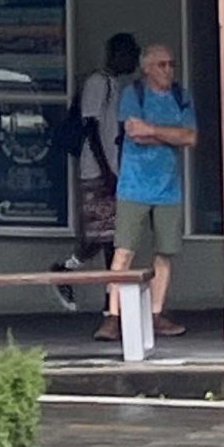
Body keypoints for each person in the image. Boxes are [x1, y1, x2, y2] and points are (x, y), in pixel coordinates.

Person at [97, 41, 198, 344]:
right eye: (161, 65)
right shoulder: (134, 94)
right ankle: (112, 316)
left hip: (169, 189)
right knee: (123, 251)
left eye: (171, 64)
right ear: (146, 68)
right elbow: (134, 134)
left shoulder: (181, 96)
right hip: (134, 186)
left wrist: (152, 130)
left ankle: (156, 313)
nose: (168, 70)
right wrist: (170, 135)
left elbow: (190, 138)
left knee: (165, 253)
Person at [53, 33, 140, 308]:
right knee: (104, 237)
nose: (135, 61)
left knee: (110, 238)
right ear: (118, 54)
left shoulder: (115, 84)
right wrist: (105, 171)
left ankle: (109, 301)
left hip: (113, 171)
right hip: (97, 172)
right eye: (132, 54)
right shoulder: (97, 82)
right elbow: (90, 128)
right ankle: (70, 274)